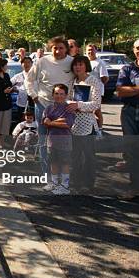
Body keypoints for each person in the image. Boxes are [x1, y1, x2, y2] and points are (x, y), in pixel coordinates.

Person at [25, 36, 74, 189]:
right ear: (50, 48)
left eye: (61, 48)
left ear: (66, 48)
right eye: (55, 48)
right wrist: (33, 96)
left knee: (64, 142)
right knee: (44, 142)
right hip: (43, 105)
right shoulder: (42, 61)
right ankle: (49, 178)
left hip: (65, 107)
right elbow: (29, 79)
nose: (58, 51)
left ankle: (64, 178)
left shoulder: (72, 62)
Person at [116, 37, 139, 200]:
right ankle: (136, 188)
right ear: (133, 50)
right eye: (137, 48)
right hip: (129, 113)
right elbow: (120, 91)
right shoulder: (127, 68)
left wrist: (133, 90)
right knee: (132, 152)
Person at [67, 55, 103, 194]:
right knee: (74, 156)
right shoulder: (72, 81)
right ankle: (75, 182)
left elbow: (96, 103)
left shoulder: (93, 81)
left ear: (86, 65)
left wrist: (78, 105)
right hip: (73, 124)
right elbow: (68, 99)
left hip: (88, 124)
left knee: (89, 157)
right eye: (75, 64)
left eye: (80, 64)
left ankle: (88, 184)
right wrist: (69, 104)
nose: (77, 67)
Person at [42, 84, 76, 195]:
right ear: (52, 95)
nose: (59, 96)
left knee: (65, 163)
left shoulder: (69, 108)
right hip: (51, 141)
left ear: (66, 95)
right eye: (56, 93)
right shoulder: (48, 108)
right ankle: (55, 183)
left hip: (64, 141)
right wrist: (58, 121)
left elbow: (67, 124)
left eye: (61, 94)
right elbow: (44, 122)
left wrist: (51, 122)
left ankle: (65, 186)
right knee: (53, 163)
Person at [86, 44, 109, 135]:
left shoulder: (100, 62)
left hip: (97, 90)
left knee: (97, 110)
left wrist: (98, 85)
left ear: (96, 51)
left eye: (92, 50)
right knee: (86, 109)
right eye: (88, 50)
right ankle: (89, 128)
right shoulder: (85, 61)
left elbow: (105, 78)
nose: (90, 52)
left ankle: (99, 129)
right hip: (85, 89)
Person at [0, 58, 13, 148]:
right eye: (5, 65)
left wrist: (11, 89)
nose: (7, 67)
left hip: (7, 103)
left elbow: (10, 84)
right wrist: (3, 91)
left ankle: (2, 141)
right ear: (1, 66)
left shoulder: (7, 75)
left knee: (6, 124)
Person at [11, 56, 34, 123]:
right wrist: (14, 89)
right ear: (21, 64)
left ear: (32, 64)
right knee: (21, 123)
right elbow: (9, 84)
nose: (26, 64)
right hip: (21, 104)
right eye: (24, 62)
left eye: (28, 62)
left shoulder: (36, 75)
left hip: (33, 104)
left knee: (33, 124)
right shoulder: (17, 76)